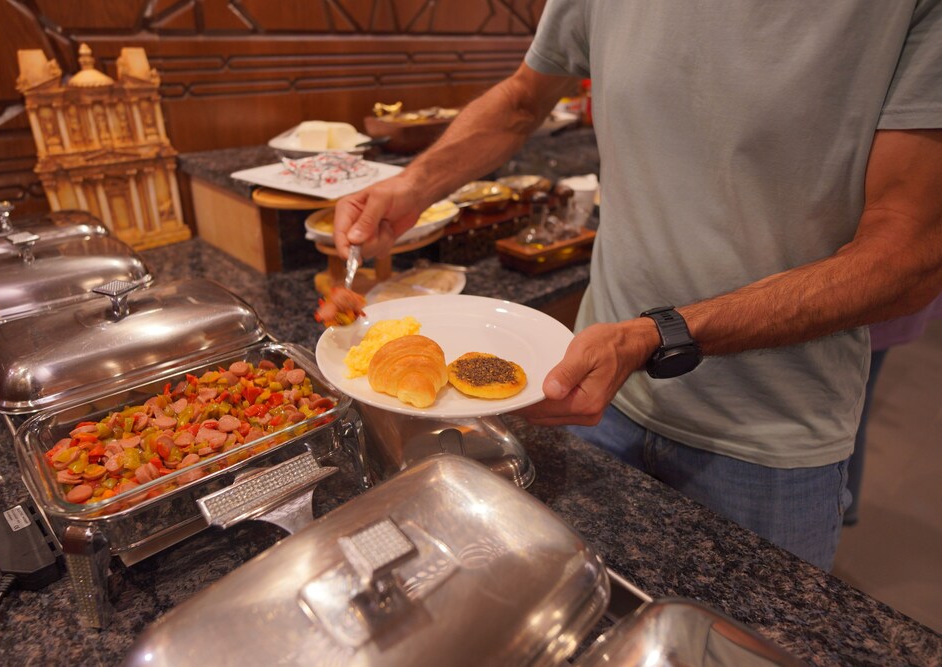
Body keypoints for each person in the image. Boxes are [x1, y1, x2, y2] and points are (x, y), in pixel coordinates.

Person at [333, 2, 942, 571]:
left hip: (768, 440)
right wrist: (412, 187)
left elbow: (908, 256)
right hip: (597, 401)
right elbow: (522, 100)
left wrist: (659, 335)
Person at [845, 294, 942, 526]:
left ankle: (841, 507)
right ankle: (845, 507)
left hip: (867, 312)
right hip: (881, 311)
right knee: (854, 409)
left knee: (848, 411)